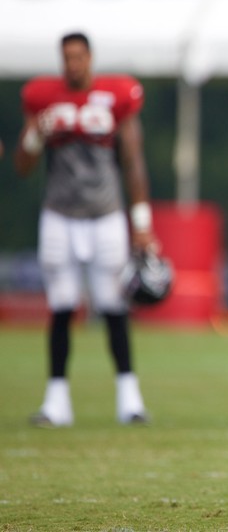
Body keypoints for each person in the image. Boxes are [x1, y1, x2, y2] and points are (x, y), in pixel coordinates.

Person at [13, 32, 157, 427]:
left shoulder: (116, 95)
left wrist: (141, 222)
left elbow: (133, 160)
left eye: (79, 57)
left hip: (106, 213)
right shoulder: (43, 98)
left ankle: (130, 398)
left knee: (113, 305)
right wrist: (36, 134)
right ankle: (56, 401)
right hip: (60, 213)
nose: (73, 64)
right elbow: (23, 164)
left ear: (90, 58)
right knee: (61, 305)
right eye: (67, 58)